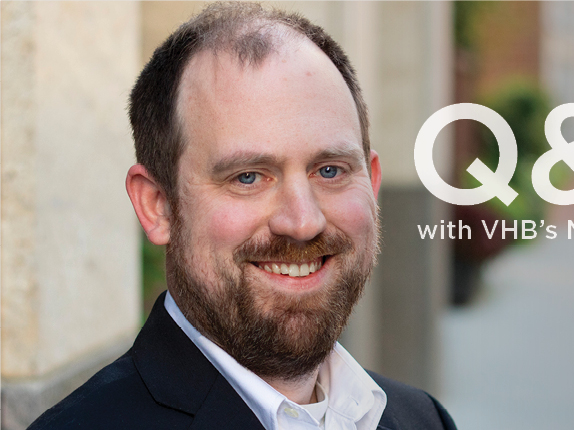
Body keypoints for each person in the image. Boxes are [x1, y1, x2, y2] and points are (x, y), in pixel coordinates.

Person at [28, 2, 456, 429]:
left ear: (372, 183)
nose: (303, 222)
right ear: (157, 206)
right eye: (248, 177)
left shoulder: (423, 419)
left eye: (330, 171)